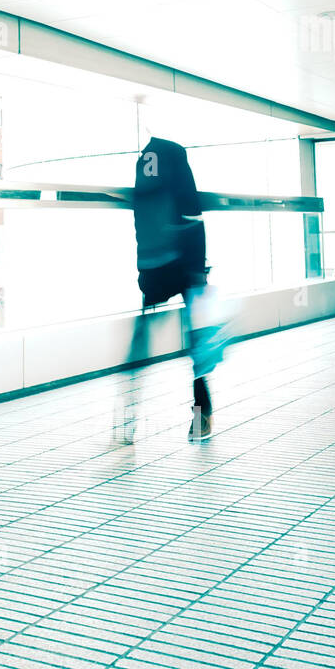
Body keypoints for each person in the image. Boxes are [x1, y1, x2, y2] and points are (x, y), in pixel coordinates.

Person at [117, 135, 221, 443]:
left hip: (152, 267)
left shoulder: (143, 163)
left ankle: (128, 416)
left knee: (142, 338)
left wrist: (144, 270)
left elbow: (140, 218)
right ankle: (202, 415)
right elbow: (192, 213)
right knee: (197, 344)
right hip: (184, 265)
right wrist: (199, 269)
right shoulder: (176, 155)